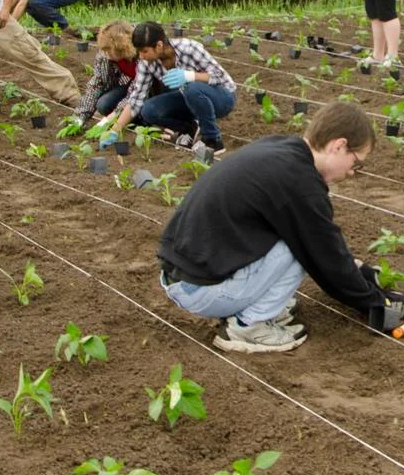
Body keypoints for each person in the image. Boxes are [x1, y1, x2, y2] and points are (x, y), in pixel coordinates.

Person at [156, 102, 386, 352]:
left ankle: (258, 305)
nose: (353, 172)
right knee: (303, 246)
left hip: (182, 276)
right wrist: (376, 302)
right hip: (201, 291)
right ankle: (248, 325)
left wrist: (361, 272)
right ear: (338, 146)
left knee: (302, 236)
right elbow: (327, 260)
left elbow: (329, 247)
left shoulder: (281, 149)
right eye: (356, 163)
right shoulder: (300, 182)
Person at [105, 21, 237, 154]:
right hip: (190, 98)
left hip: (222, 98)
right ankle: (189, 128)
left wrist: (190, 76)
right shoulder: (147, 63)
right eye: (139, 52)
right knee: (149, 110)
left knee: (192, 88)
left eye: (144, 51)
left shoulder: (189, 48)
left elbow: (222, 77)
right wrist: (114, 130)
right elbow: (136, 99)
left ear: (159, 45)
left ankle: (213, 140)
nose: (141, 56)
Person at [75, 20, 140, 121]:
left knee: (146, 110)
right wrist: (80, 117)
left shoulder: (143, 54)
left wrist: (115, 114)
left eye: (109, 50)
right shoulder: (105, 57)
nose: (106, 54)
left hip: (151, 88)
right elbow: (97, 84)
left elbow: (138, 91)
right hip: (134, 85)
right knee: (103, 104)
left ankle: (137, 119)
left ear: (121, 48)